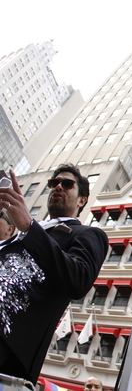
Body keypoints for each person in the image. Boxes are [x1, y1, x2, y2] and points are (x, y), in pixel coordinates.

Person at [0, 164, 109, 383]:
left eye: (67, 184)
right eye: (54, 183)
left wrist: (31, 228)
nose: (58, 187)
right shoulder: (23, 231)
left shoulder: (88, 234)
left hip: (7, 346)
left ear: (82, 200)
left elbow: (78, 279)